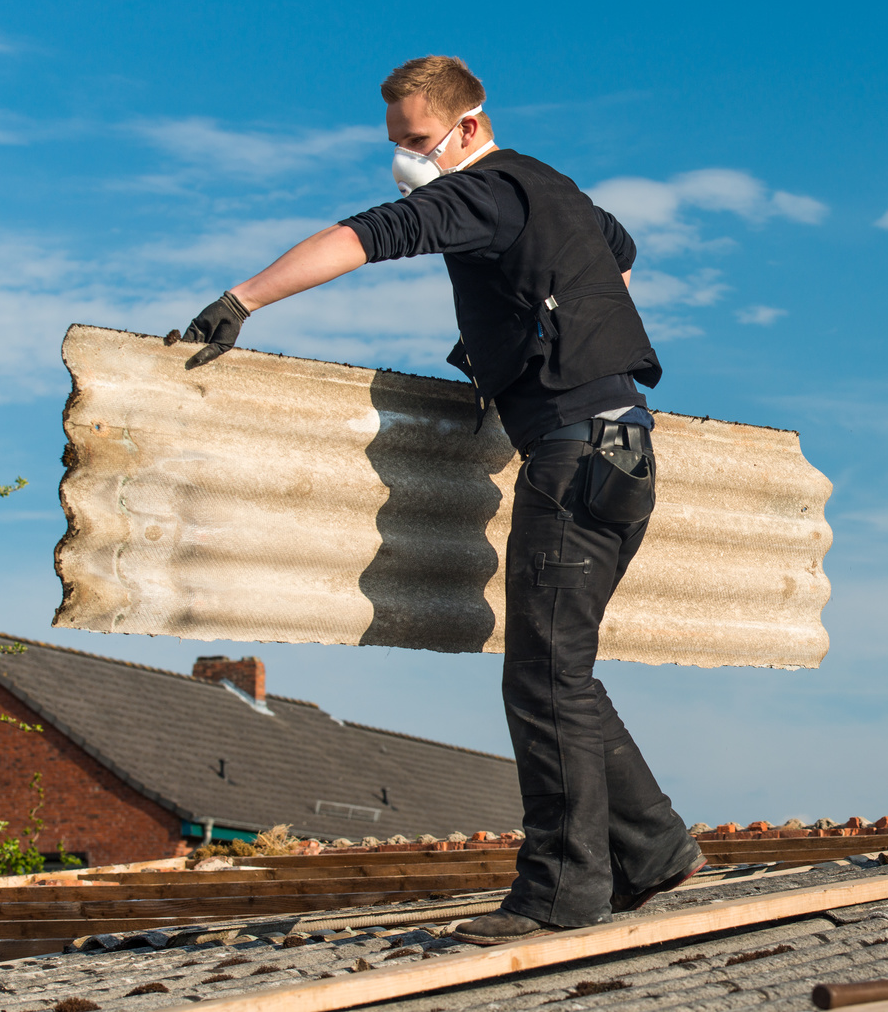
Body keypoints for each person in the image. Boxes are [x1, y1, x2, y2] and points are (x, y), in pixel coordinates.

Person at [173, 55, 703, 943]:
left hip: (574, 454)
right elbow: (618, 250)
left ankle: (560, 892)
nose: (405, 158)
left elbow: (366, 235)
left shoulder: (482, 191)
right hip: (623, 445)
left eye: (416, 141)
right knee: (561, 668)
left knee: (542, 677)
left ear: (467, 125)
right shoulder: (550, 187)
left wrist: (242, 299)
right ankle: (653, 851)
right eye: (395, 142)